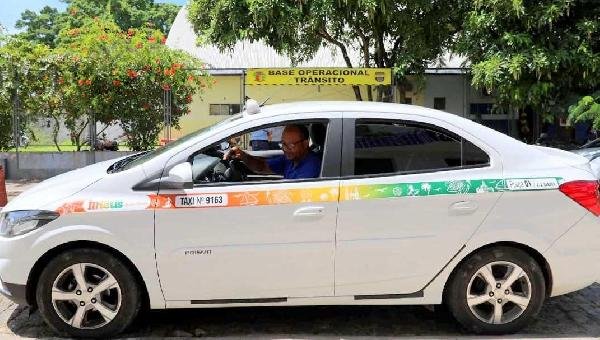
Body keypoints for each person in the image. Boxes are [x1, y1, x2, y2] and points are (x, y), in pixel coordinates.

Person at [224, 124, 321, 179]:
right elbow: (262, 166)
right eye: (283, 143)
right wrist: (242, 155)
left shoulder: (311, 167)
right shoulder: (291, 159)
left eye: (290, 145)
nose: (285, 149)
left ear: (305, 144)